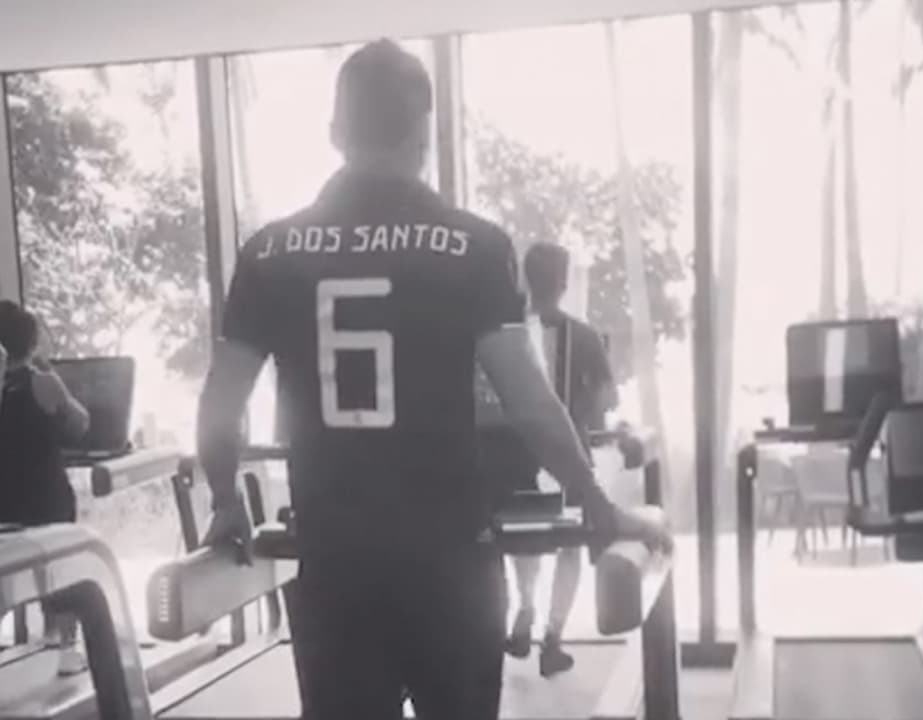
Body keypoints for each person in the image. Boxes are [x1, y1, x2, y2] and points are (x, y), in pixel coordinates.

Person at [195, 40, 671, 720]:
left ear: (336, 131)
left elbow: (220, 408)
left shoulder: (268, 253)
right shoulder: (473, 246)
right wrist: (594, 502)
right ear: (424, 134)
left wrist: (225, 498)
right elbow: (529, 401)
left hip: (336, 566)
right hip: (450, 565)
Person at [500, 242, 620, 676]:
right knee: (571, 542)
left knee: (521, 535)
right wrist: (582, 414)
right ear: (563, 282)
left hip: (517, 451)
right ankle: (553, 635)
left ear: (525, 279)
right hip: (570, 450)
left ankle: (525, 609)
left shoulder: (508, 334)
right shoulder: (583, 336)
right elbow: (607, 397)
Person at [0, 300, 91, 688]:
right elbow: (80, 423)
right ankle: (68, 651)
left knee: (5, 577)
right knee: (64, 568)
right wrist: (53, 378)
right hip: (46, 498)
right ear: (32, 343)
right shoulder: (42, 381)